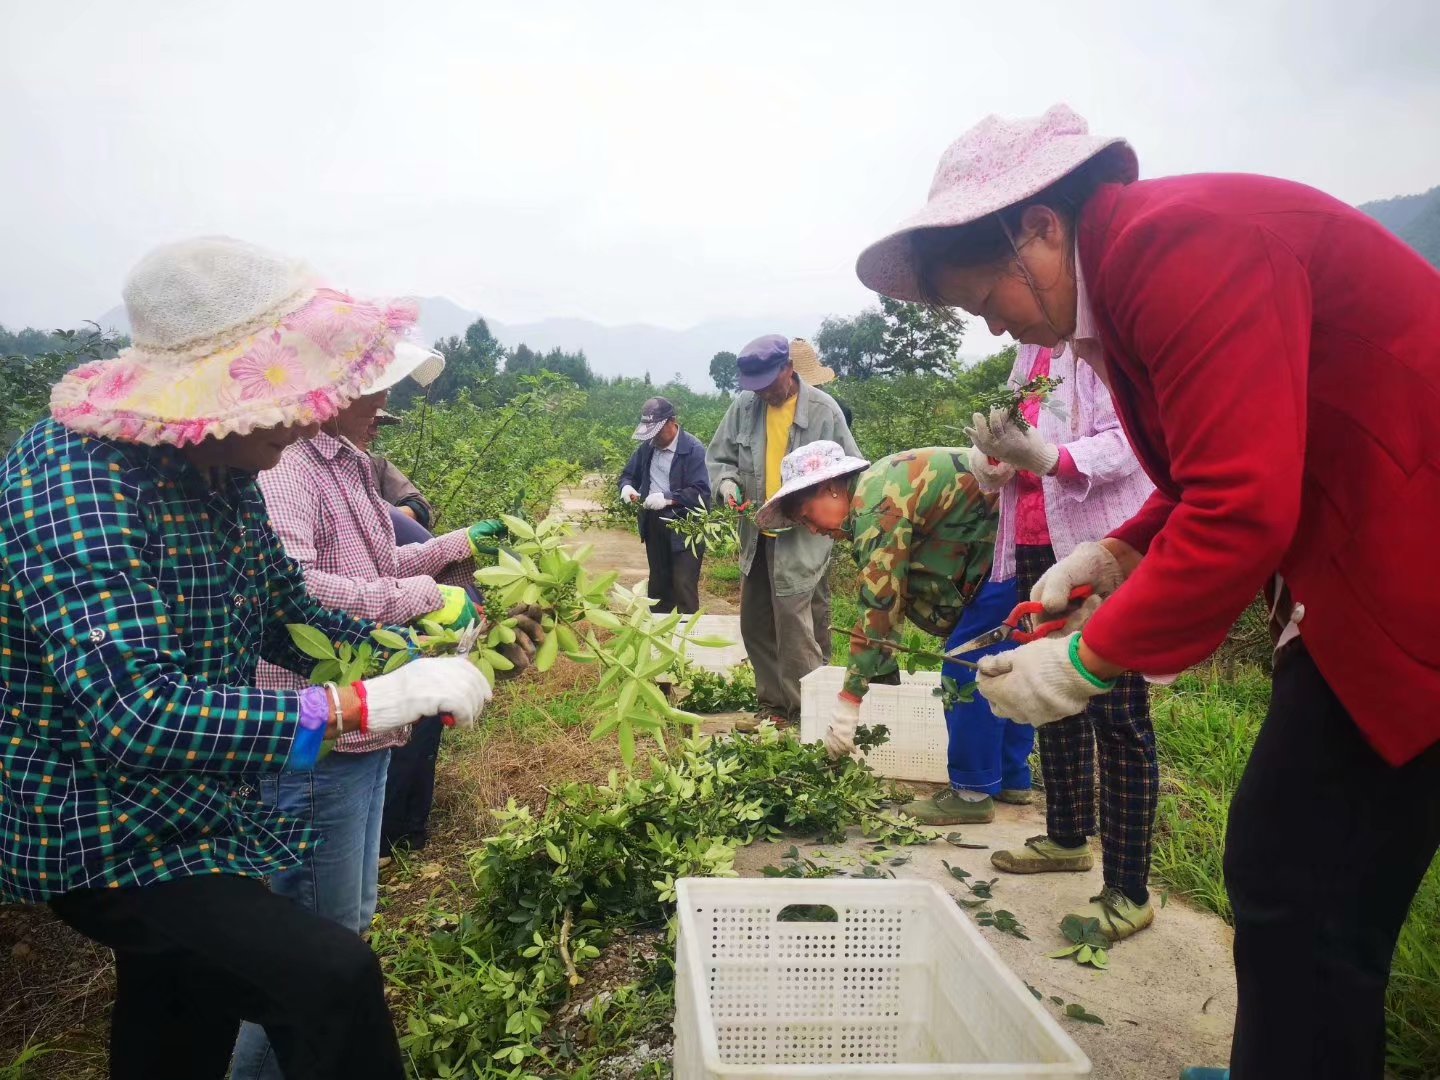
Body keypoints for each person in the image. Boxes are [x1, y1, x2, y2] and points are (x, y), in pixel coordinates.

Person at [856, 103, 1440, 1080]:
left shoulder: (1177, 249)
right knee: (1299, 873)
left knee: (1298, 876)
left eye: (987, 298)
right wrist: (1118, 553)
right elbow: (1215, 469)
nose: (993, 324)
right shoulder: (1131, 279)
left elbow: (1242, 505)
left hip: (1406, 560)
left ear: (1041, 229)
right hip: (1372, 552)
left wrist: (1085, 660)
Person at [0, 236, 490, 1080]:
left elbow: (289, 616)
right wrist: (362, 705)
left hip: (201, 811)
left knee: (180, 1009)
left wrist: (427, 654)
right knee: (331, 978)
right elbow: (136, 712)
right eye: (287, 396)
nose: (306, 419)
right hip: (104, 826)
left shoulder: (224, 476)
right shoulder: (75, 482)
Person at [233, 345, 541, 1078]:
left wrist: (462, 544)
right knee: (316, 934)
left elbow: (382, 562)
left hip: (366, 726)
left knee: (350, 913)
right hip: (313, 724)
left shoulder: (348, 466)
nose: (383, 409)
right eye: (374, 393)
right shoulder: (289, 469)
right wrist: (429, 599)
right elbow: (294, 590)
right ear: (333, 392)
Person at [932, 340, 1157, 935]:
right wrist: (995, 461)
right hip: (1036, 544)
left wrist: (1052, 457)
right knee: (1050, 696)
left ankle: (1129, 888)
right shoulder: (1029, 352)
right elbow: (1013, 441)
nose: (998, 324)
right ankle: (1066, 836)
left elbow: (1130, 443)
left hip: (1099, 548)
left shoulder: (1100, 344)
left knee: (1118, 713)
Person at [756, 443, 996, 768]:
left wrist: (848, 702)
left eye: (806, 516)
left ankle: (974, 788)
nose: (812, 529)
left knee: (967, 671)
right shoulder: (875, 487)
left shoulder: (876, 507)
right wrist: (882, 669)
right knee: (1002, 667)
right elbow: (897, 585)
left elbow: (879, 604)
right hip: (1006, 553)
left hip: (1008, 553)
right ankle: (1010, 780)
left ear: (830, 488)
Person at [707, 335, 861, 729]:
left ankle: (804, 714)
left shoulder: (824, 411)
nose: (762, 393)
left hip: (804, 534)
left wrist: (835, 516)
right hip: (757, 533)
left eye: (767, 384)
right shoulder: (744, 407)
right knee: (756, 621)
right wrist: (727, 484)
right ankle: (773, 706)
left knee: (795, 622)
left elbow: (852, 470)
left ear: (788, 370)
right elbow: (720, 457)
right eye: (754, 387)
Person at [617, 396, 711, 614]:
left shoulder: (694, 450)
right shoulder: (647, 448)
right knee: (658, 586)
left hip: (686, 526)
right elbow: (628, 474)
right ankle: (659, 632)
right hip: (654, 525)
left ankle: (688, 633)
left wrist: (668, 498)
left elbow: (701, 492)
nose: (655, 437)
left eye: (658, 431)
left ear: (672, 422)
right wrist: (627, 487)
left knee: (683, 584)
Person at [368, 409, 434, 525]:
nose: (374, 433)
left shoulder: (377, 465)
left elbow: (419, 506)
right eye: (368, 424)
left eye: (375, 426)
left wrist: (378, 517)